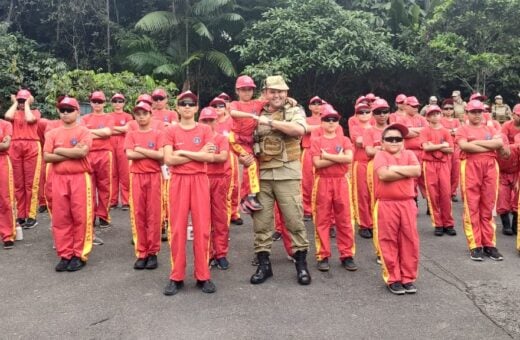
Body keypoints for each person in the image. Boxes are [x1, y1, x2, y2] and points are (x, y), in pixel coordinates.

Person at [249, 75, 311, 286]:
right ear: (265, 93)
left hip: (287, 173)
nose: (277, 95)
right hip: (262, 175)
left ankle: (301, 265)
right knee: (262, 222)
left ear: (287, 93)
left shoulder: (295, 110)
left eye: (281, 92)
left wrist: (271, 122)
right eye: (273, 92)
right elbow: (242, 135)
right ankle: (264, 266)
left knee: (294, 220)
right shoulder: (256, 111)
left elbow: (299, 130)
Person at [163, 90, 216, 296]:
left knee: (203, 228)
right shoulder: (171, 131)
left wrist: (182, 152)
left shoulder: (205, 130)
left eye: (191, 104)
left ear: (196, 108)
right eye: (183, 104)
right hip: (178, 182)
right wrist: (197, 155)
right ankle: (176, 276)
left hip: (200, 181)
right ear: (177, 107)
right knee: (177, 229)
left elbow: (210, 159)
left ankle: (203, 275)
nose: (187, 107)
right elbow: (169, 159)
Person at [43, 97, 93, 272]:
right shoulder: (52, 133)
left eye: (69, 110)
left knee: (80, 216)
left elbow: (83, 152)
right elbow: (47, 156)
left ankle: (79, 254)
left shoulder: (84, 131)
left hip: (79, 178)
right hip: (59, 179)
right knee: (61, 217)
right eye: (62, 110)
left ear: (77, 112)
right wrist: (72, 152)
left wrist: (58, 150)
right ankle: (65, 254)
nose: (65, 113)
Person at [372, 123, 421, 295]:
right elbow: (383, 175)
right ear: (382, 141)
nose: (394, 142)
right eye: (390, 139)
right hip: (386, 204)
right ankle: (393, 277)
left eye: (398, 139)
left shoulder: (409, 154)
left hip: (407, 203)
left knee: (410, 241)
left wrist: (394, 168)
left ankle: (408, 277)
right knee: (388, 240)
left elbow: (417, 171)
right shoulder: (380, 155)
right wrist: (405, 171)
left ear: (403, 141)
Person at [456, 100, 504, 261]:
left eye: (479, 111)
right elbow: (464, 146)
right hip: (470, 166)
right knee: (472, 206)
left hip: (490, 166)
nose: (477, 114)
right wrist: (488, 146)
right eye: (473, 111)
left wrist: (475, 143)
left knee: (489, 206)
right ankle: (475, 244)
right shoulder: (462, 129)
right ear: (467, 113)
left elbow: (498, 143)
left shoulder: (490, 128)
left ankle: (489, 243)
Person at [311, 104, 356, 272]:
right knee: (322, 219)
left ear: (338, 122)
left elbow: (349, 159)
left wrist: (328, 156)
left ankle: (347, 254)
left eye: (334, 120)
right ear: (321, 122)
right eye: (327, 119)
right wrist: (339, 157)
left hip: (341, 181)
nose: (331, 123)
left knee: (345, 219)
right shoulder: (316, 140)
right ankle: (323, 255)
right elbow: (317, 163)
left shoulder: (344, 140)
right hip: (323, 181)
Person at [125, 101, 164, 270]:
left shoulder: (158, 134)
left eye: (144, 114)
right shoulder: (131, 134)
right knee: (138, 214)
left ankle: (153, 252)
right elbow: (129, 154)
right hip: (137, 177)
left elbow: (161, 155)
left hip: (154, 176)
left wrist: (140, 150)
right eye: (138, 114)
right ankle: (141, 252)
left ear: (150, 115)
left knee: (154, 215)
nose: (141, 117)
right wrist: (149, 153)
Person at [199, 107, 231, 270]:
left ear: (216, 121)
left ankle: (221, 253)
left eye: (211, 120)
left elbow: (223, 157)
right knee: (203, 218)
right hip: (202, 178)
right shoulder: (197, 138)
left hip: (218, 179)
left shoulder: (220, 138)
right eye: (205, 120)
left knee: (220, 217)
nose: (208, 124)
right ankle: (207, 253)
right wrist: (208, 156)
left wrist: (204, 156)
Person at [4, 89, 42, 229]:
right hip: (15, 146)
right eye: (20, 100)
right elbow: (7, 116)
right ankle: (21, 215)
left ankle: (31, 215)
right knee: (18, 183)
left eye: (23, 100)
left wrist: (26, 103)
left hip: (31, 146)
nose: (21, 103)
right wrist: (15, 103)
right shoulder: (13, 113)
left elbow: (30, 119)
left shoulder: (35, 112)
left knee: (31, 183)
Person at [228, 75, 265, 213]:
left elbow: (271, 101)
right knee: (251, 163)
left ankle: (245, 198)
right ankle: (249, 197)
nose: (247, 92)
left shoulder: (256, 103)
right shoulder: (235, 104)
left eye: (249, 89)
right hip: (236, 139)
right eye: (243, 89)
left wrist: (289, 100)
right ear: (237, 91)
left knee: (255, 164)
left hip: (250, 141)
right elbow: (232, 112)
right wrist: (251, 116)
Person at [420, 105, 456, 236]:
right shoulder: (424, 131)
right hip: (429, 164)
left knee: (446, 193)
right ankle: (438, 224)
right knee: (433, 194)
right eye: (432, 114)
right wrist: (442, 145)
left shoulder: (445, 131)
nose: (435, 116)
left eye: (437, 114)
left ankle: (448, 223)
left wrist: (433, 146)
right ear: (427, 117)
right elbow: (426, 148)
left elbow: (451, 149)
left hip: (443, 164)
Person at [81, 91, 114, 229]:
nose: (97, 104)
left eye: (100, 101)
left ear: (104, 103)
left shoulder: (108, 117)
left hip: (104, 154)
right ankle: (91, 215)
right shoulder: (85, 118)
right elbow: (82, 134)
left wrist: (90, 132)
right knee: (89, 186)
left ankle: (103, 215)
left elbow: (108, 133)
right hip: (88, 154)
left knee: (104, 185)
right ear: (91, 102)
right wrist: (98, 133)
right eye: (94, 101)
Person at [363, 98, 390, 263]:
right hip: (374, 168)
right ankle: (380, 250)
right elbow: (369, 151)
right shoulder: (369, 131)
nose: (382, 115)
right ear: (373, 114)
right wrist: (386, 149)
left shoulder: (394, 130)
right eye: (378, 112)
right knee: (377, 205)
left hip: (394, 168)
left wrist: (381, 148)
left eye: (385, 111)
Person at [211, 96, 242, 226]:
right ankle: (222, 215)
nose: (218, 108)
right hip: (213, 157)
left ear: (226, 108)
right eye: (215, 106)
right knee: (219, 187)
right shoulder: (209, 121)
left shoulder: (231, 121)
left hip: (230, 155)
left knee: (233, 185)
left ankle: (234, 213)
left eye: (221, 106)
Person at [350, 102, 373, 238]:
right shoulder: (355, 127)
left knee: (374, 193)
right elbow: (358, 141)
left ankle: (373, 222)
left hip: (375, 162)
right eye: (361, 112)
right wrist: (374, 142)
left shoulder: (376, 126)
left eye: (367, 112)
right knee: (362, 194)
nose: (364, 114)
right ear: (356, 115)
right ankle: (364, 224)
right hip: (361, 163)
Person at [301, 96, 324, 220]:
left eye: (319, 103)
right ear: (309, 107)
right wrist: (322, 127)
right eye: (314, 103)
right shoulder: (306, 119)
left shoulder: (327, 119)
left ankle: (320, 208)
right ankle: (307, 209)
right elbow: (304, 129)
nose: (316, 105)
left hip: (322, 153)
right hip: (308, 151)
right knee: (307, 181)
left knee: (322, 181)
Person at [109, 93, 132, 210]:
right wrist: (119, 130)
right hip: (110, 144)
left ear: (124, 102)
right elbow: (107, 130)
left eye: (120, 101)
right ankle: (112, 201)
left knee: (124, 172)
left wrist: (112, 129)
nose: (117, 103)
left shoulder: (128, 116)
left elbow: (126, 129)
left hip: (123, 143)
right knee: (112, 172)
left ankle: (125, 200)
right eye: (115, 101)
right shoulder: (108, 116)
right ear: (112, 103)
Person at [440, 99, 461, 202]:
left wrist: (449, 131)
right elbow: (441, 133)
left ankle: (453, 192)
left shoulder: (457, 121)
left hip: (456, 148)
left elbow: (460, 132)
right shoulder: (440, 120)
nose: (448, 110)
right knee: (446, 171)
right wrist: (453, 131)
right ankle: (445, 192)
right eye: (446, 108)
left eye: (450, 108)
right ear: (442, 110)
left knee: (455, 171)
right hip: (445, 148)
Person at [0, 116, 15, 249]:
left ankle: (7, 234)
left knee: (5, 199)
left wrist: (2, 145)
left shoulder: (5, 125)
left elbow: (5, 146)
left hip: (2, 162)